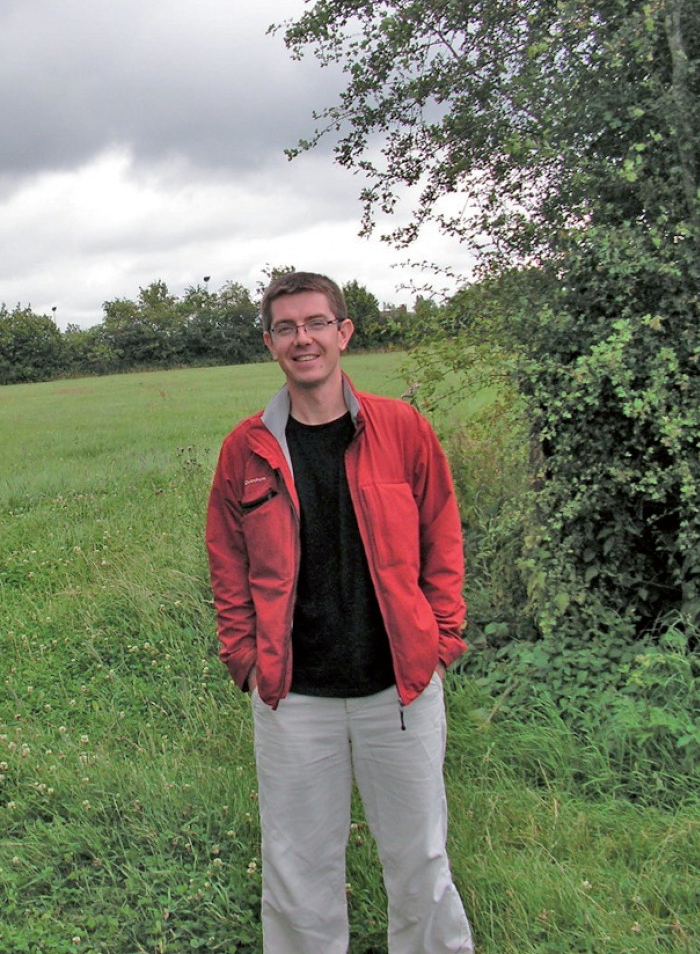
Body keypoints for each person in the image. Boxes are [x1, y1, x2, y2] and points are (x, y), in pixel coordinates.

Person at [205, 272, 473, 953]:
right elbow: (227, 560)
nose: (304, 340)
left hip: (401, 689)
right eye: (287, 327)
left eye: (317, 323)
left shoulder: (403, 429)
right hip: (294, 697)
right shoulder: (248, 448)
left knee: (421, 863)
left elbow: (442, 534)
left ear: (344, 332)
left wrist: (441, 638)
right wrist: (244, 658)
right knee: (297, 873)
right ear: (271, 343)